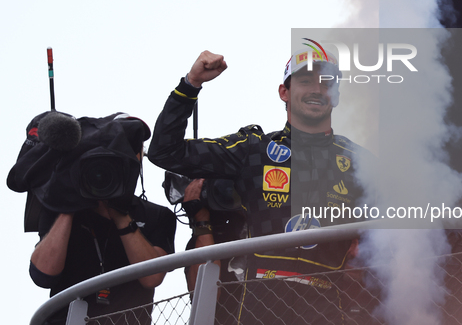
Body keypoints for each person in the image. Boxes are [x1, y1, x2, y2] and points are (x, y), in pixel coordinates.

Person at [148, 49, 367, 324]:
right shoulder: (254, 149)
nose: (316, 89)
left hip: (325, 302)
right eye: (305, 82)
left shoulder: (359, 162)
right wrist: (191, 84)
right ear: (284, 92)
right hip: (260, 301)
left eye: (326, 83)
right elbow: (164, 152)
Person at [23, 115, 177, 325]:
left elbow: (152, 278)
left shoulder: (157, 215)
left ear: (139, 157)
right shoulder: (60, 210)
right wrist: (69, 200)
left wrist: (121, 213)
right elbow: (43, 275)